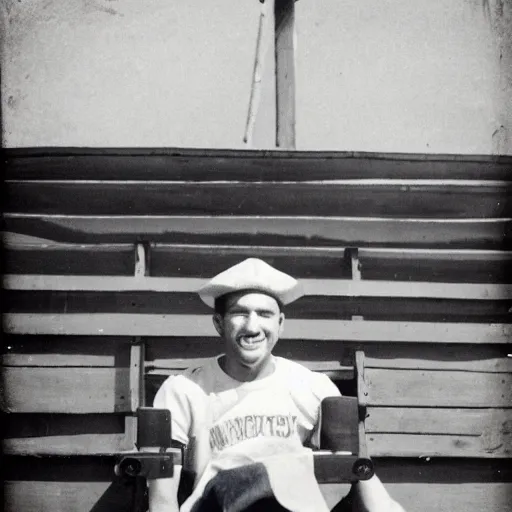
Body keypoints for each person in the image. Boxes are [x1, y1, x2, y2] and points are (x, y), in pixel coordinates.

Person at [149, 258, 405, 512]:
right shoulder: (184, 390)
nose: (252, 327)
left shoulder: (313, 388)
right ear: (219, 323)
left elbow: (363, 477)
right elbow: (162, 501)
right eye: (240, 313)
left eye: (264, 314)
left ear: (280, 324)